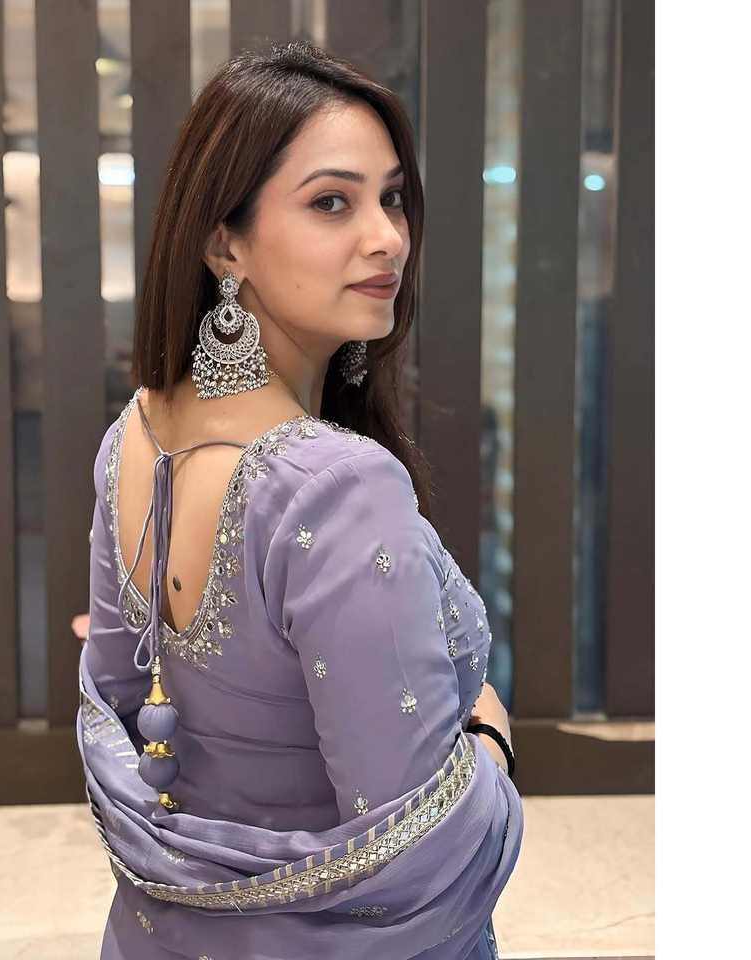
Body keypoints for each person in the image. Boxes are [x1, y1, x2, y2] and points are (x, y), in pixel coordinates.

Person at [76, 41, 522, 960]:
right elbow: (412, 855)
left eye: (391, 198)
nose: (387, 237)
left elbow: (121, 726)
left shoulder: (136, 433)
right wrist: (490, 736)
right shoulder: (336, 487)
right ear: (224, 242)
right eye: (331, 203)